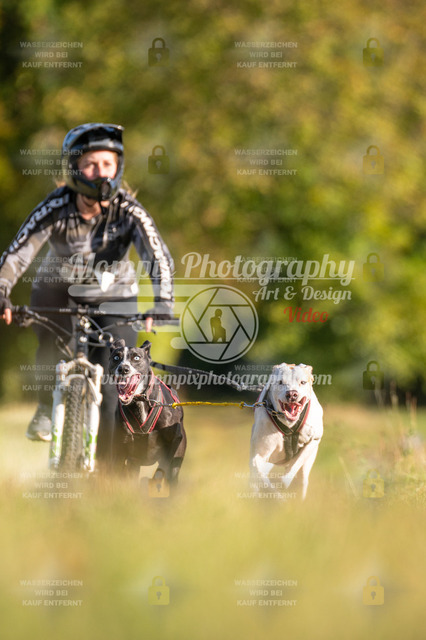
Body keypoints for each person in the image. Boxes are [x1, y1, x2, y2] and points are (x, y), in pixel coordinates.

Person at [0, 123, 174, 462]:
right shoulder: (55, 207)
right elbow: (18, 253)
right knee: (50, 345)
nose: (101, 172)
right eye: (91, 164)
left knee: (113, 386)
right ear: (74, 168)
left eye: (108, 164)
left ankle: (106, 473)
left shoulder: (130, 211)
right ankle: (45, 406)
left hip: (116, 297)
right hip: (58, 292)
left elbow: (157, 257)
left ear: (118, 167)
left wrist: (163, 301)